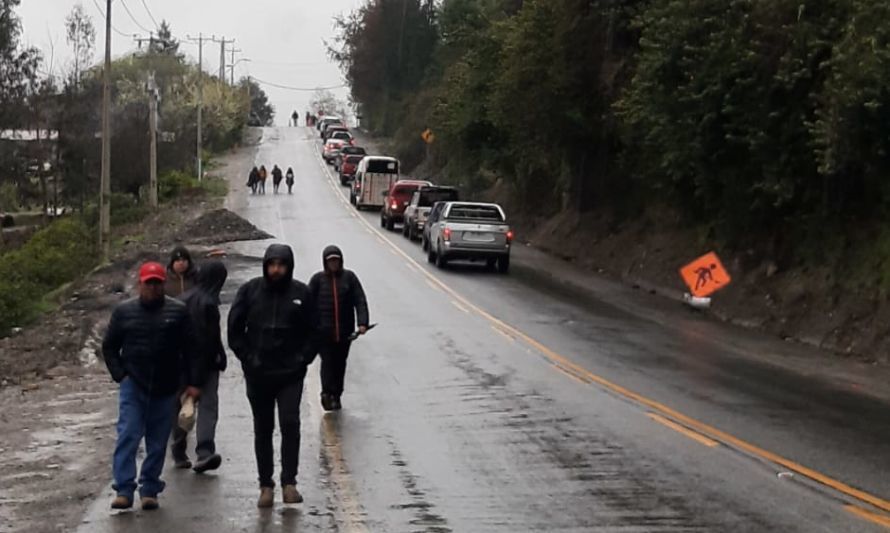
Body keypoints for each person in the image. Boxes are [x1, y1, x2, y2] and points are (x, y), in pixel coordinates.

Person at [102, 262, 201, 511]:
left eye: (158, 282)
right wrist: (120, 375)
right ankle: (124, 489)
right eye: (149, 283)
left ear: (164, 283)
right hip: (133, 384)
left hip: (167, 386)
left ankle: (149, 489)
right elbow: (110, 346)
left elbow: (190, 350)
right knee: (128, 435)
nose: (154, 288)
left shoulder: (178, 312)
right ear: (140, 284)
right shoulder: (124, 312)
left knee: (157, 441)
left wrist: (192, 383)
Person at [227, 244, 317, 508]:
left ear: (289, 266)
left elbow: (316, 330)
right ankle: (265, 485)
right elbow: (234, 330)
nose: (276, 270)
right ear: (266, 266)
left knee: (290, 423)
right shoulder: (250, 291)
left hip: (290, 373)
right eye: (272, 264)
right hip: (259, 374)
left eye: (281, 265)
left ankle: (290, 483)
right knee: (263, 428)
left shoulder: (301, 293)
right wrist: (249, 358)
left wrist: (303, 359)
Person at [170, 261, 228, 473]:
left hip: (179, 362)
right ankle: (204, 452)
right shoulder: (209, 304)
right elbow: (208, 341)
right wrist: (200, 375)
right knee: (207, 406)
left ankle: (178, 451)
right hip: (204, 364)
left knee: (180, 406)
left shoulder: (181, 300)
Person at [308, 245, 369, 412]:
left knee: (340, 364)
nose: (333, 263)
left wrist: (362, 323)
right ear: (325, 263)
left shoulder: (349, 278)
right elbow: (307, 304)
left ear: (341, 261)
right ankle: (326, 394)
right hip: (324, 334)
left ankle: (337, 395)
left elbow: (360, 300)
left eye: (336, 260)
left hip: (344, 333)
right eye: (330, 261)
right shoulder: (317, 280)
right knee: (327, 363)